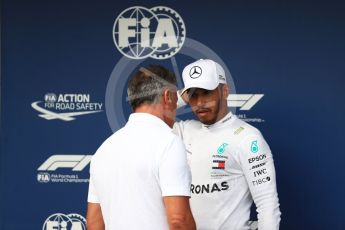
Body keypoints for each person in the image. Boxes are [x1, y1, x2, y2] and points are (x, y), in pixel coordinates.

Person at [173, 59, 281, 230]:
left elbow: (267, 205)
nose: (200, 103)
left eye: (206, 93)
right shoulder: (182, 131)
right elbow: (143, 125)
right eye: (193, 95)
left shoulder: (247, 137)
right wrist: (179, 97)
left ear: (225, 91)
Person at [87, 65, 196, 230]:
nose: (176, 106)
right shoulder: (168, 143)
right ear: (167, 96)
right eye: (175, 98)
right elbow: (178, 221)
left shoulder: (104, 149)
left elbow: (94, 223)